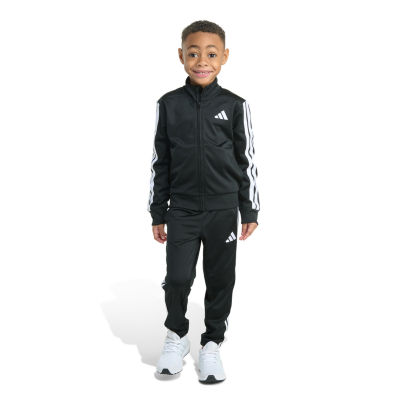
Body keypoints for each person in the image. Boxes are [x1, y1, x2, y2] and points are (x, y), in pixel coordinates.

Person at [148, 20, 260, 384]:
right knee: (178, 277)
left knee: (220, 278)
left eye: (211, 54)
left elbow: (246, 161)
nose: (202, 62)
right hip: (181, 209)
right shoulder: (169, 104)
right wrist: (157, 211)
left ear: (224, 57)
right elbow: (160, 161)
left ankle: (212, 342)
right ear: (181, 56)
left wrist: (249, 208)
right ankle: (176, 335)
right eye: (193, 53)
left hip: (222, 210)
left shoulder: (235, 105)